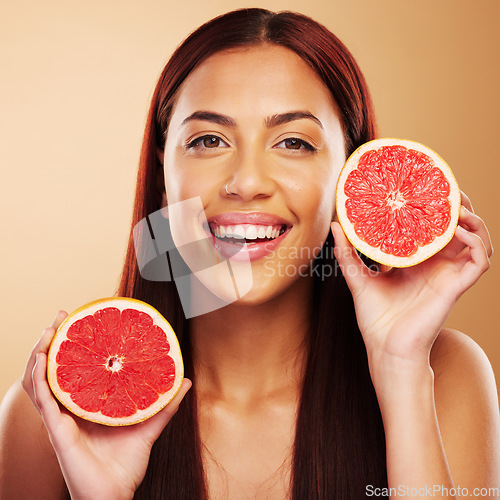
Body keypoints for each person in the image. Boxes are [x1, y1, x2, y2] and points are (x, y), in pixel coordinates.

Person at [0, 8, 498, 500]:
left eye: (294, 143)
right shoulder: (57, 408)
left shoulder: (445, 377)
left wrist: (399, 369)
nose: (247, 183)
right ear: (162, 169)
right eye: (209, 140)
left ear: (350, 169)